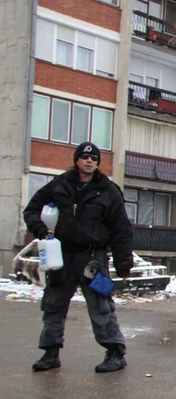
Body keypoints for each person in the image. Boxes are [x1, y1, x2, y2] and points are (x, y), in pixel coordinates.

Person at [23, 141, 133, 373]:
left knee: (101, 306)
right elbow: (31, 210)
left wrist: (124, 266)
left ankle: (115, 353)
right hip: (61, 257)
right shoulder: (59, 185)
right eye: (85, 157)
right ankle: (50, 353)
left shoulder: (108, 190)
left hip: (94, 259)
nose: (90, 161)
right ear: (76, 160)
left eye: (94, 158)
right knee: (53, 304)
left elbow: (121, 230)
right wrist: (42, 230)